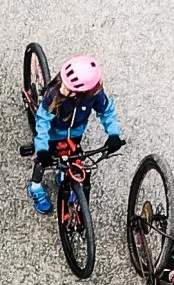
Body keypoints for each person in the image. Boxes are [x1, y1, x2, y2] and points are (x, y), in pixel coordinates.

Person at [25, 54, 123, 214]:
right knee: (43, 161)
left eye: (70, 89)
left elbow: (106, 112)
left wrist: (113, 134)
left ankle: (63, 174)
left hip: (75, 134)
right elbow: (42, 122)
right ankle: (35, 187)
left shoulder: (95, 95)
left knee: (73, 156)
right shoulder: (55, 94)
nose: (63, 89)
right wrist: (41, 148)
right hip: (53, 134)